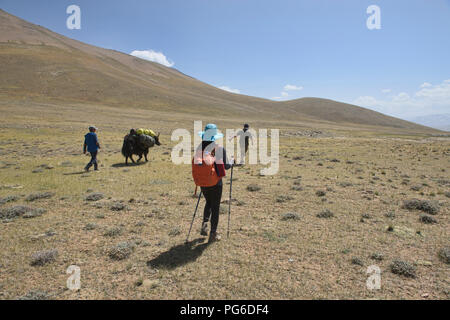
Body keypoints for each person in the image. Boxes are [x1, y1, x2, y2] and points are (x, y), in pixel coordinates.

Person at [194, 124, 233, 242]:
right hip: (215, 182)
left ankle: (205, 223)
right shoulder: (219, 148)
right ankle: (213, 234)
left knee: (208, 202)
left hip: (202, 182)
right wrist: (231, 162)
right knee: (215, 207)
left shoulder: (199, 148)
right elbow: (226, 166)